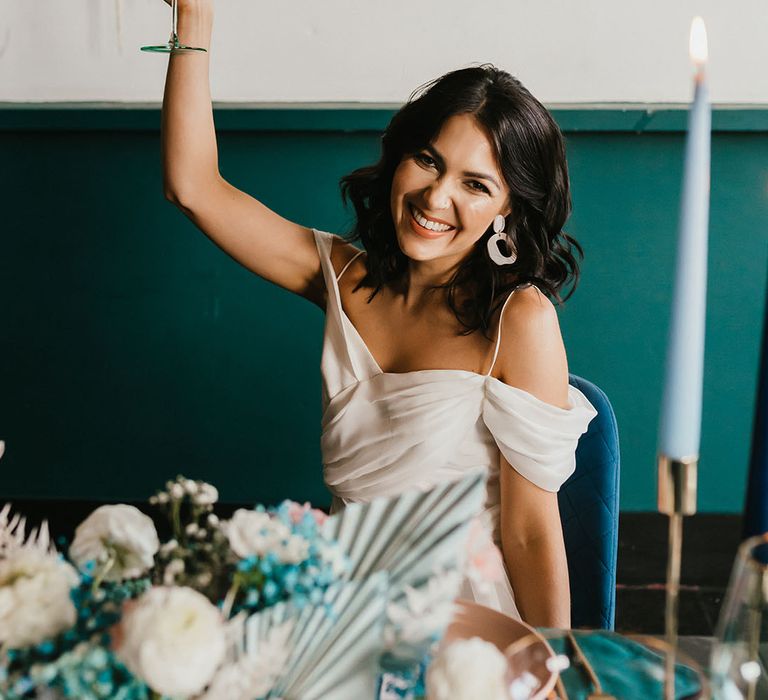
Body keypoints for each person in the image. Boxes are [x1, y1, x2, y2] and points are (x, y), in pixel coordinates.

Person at [160, 0, 596, 628]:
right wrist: (194, 18)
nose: (436, 196)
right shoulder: (340, 275)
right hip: (335, 607)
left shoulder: (517, 320)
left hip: (460, 623)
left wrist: (551, 666)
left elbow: (529, 533)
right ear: (399, 157)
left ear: (507, 208)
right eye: (428, 160)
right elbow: (192, 185)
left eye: (476, 185)